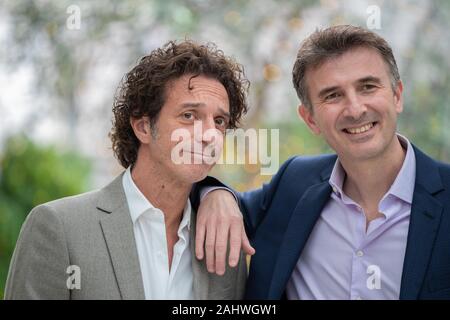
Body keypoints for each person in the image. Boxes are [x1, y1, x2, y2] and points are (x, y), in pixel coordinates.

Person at [194, 25, 450, 299]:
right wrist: (216, 193)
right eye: (333, 95)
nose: (355, 109)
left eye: (367, 87)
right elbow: (229, 208)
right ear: (310, 119)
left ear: (397, 95)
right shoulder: (295, 183)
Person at [5, 40, 249, 299]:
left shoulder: (225, 241)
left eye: (219, 121)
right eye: (189, 115)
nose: (209, 134)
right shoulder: (59, 228)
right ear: (143, 126)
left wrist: (220, 192)